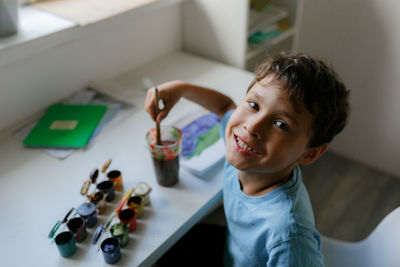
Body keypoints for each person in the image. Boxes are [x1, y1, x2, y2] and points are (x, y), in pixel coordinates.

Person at [145, 54, 350, 266]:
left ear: (309, 154)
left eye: (281, 125)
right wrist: (181, 88)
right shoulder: (245, 152)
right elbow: (225, 106)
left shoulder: (288, 237)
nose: (251, 127)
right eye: (253, 105)